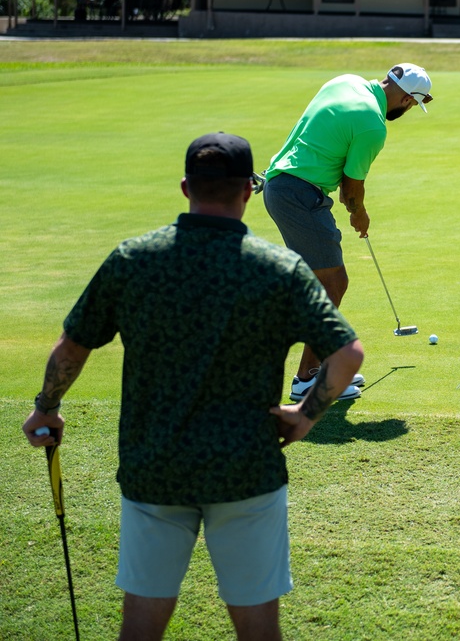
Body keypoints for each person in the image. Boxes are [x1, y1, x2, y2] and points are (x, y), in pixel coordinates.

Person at [22, 132, 365, 641]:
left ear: (186, 187)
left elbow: (72, 348)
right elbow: (347, 355)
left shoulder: (135, 259)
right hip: (247, 470)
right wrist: (305, 415)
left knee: (141, 622)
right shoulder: (279, 269)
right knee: (258, 628)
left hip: (154, 467)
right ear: (249, 191)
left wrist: (46, 407)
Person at [262, 63, 433, 402]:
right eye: (413, 103)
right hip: (300, 195)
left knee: (323, 283)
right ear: (404, 97)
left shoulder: (345, 81)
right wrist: (360, 215)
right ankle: (307, 379)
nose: (410, 109)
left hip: (281, 184)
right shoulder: (373, 124)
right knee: (333, 283)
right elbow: (351, 191)